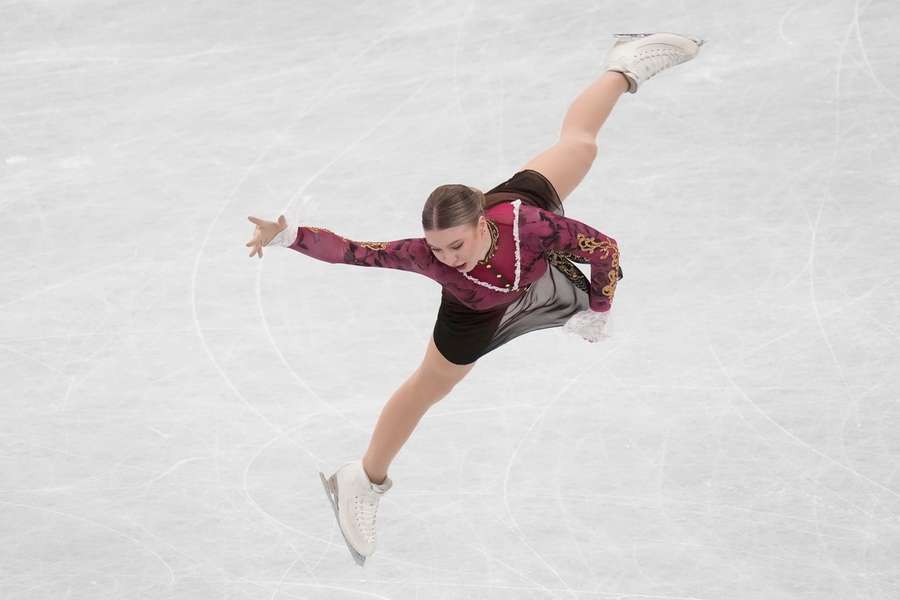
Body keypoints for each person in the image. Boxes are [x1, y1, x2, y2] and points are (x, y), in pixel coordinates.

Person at [244, 32, 705, 566]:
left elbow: (603, 249)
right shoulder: (428, 255)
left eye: (456, 244)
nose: (447, 257)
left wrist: (599, 307)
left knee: (580, 144)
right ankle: (362, 480)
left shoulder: (528, 221)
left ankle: (624, 64)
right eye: (438, 247)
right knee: (424, 391)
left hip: (526, 251)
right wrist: (288, 235)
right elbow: (354, 251)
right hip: (473, 314)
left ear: (483, 220)